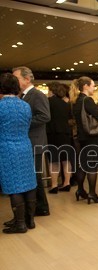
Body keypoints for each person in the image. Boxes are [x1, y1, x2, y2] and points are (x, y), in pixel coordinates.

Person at [0, 73, 37, 234]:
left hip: (7, 147)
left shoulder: (1, 106)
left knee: (14, 185)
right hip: (25, 145)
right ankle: (29, 220)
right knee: (28, 183)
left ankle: (20, 224)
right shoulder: (25, 105)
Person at [12, 66, 51, 217]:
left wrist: (23, 122)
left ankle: (42, 207)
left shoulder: (37, 95)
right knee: (33, 176)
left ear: (27, 79)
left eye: (17, 79)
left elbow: (44, 116)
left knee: (35, 177)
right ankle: (36, 207)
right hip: (28, 142)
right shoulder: (22, 96)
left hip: (35, 142)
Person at [70, 76, 98, 204]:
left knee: (82, 165)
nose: (94, 88)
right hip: (91, 137)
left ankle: (80, 190)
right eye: (92, 85)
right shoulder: (88, 100)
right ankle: (92, 193)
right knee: (92, 166)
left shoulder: (76, 101)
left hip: (80, 137)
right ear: (85, 86)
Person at [46, 82, 73, 194]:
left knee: (54, 160)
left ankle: (54, 185)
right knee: (66, 159)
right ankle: (67, 183)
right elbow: (70, 119)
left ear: (52, 90)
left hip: (53, 133)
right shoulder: (66, 104)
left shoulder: (48, 102)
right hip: (66, 133)